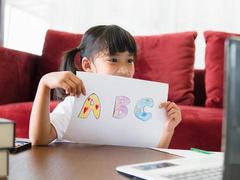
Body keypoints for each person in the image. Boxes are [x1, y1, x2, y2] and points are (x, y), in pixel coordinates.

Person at [29, 25, 181, 148]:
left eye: (129, 60)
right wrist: (44, 84)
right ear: (88, 65)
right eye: (113, 59)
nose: (125, 69)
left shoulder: (135, 108)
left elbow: (152, 155)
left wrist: (167, 130)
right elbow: (39, 139)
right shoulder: (77, 103)